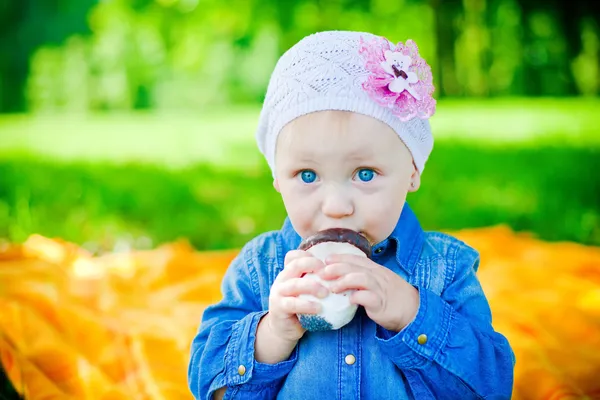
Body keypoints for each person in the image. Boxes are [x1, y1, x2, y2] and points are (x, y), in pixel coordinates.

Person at [187, 30, 515, 400]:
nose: (336, 206)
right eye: (307, 176)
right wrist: (271, 335)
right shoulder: (260, 269)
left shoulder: (445, 268)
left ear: (411, 171)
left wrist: (412, 311)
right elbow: (206, 383)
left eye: (365, 174)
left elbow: (492, 385)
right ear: (278, 178)